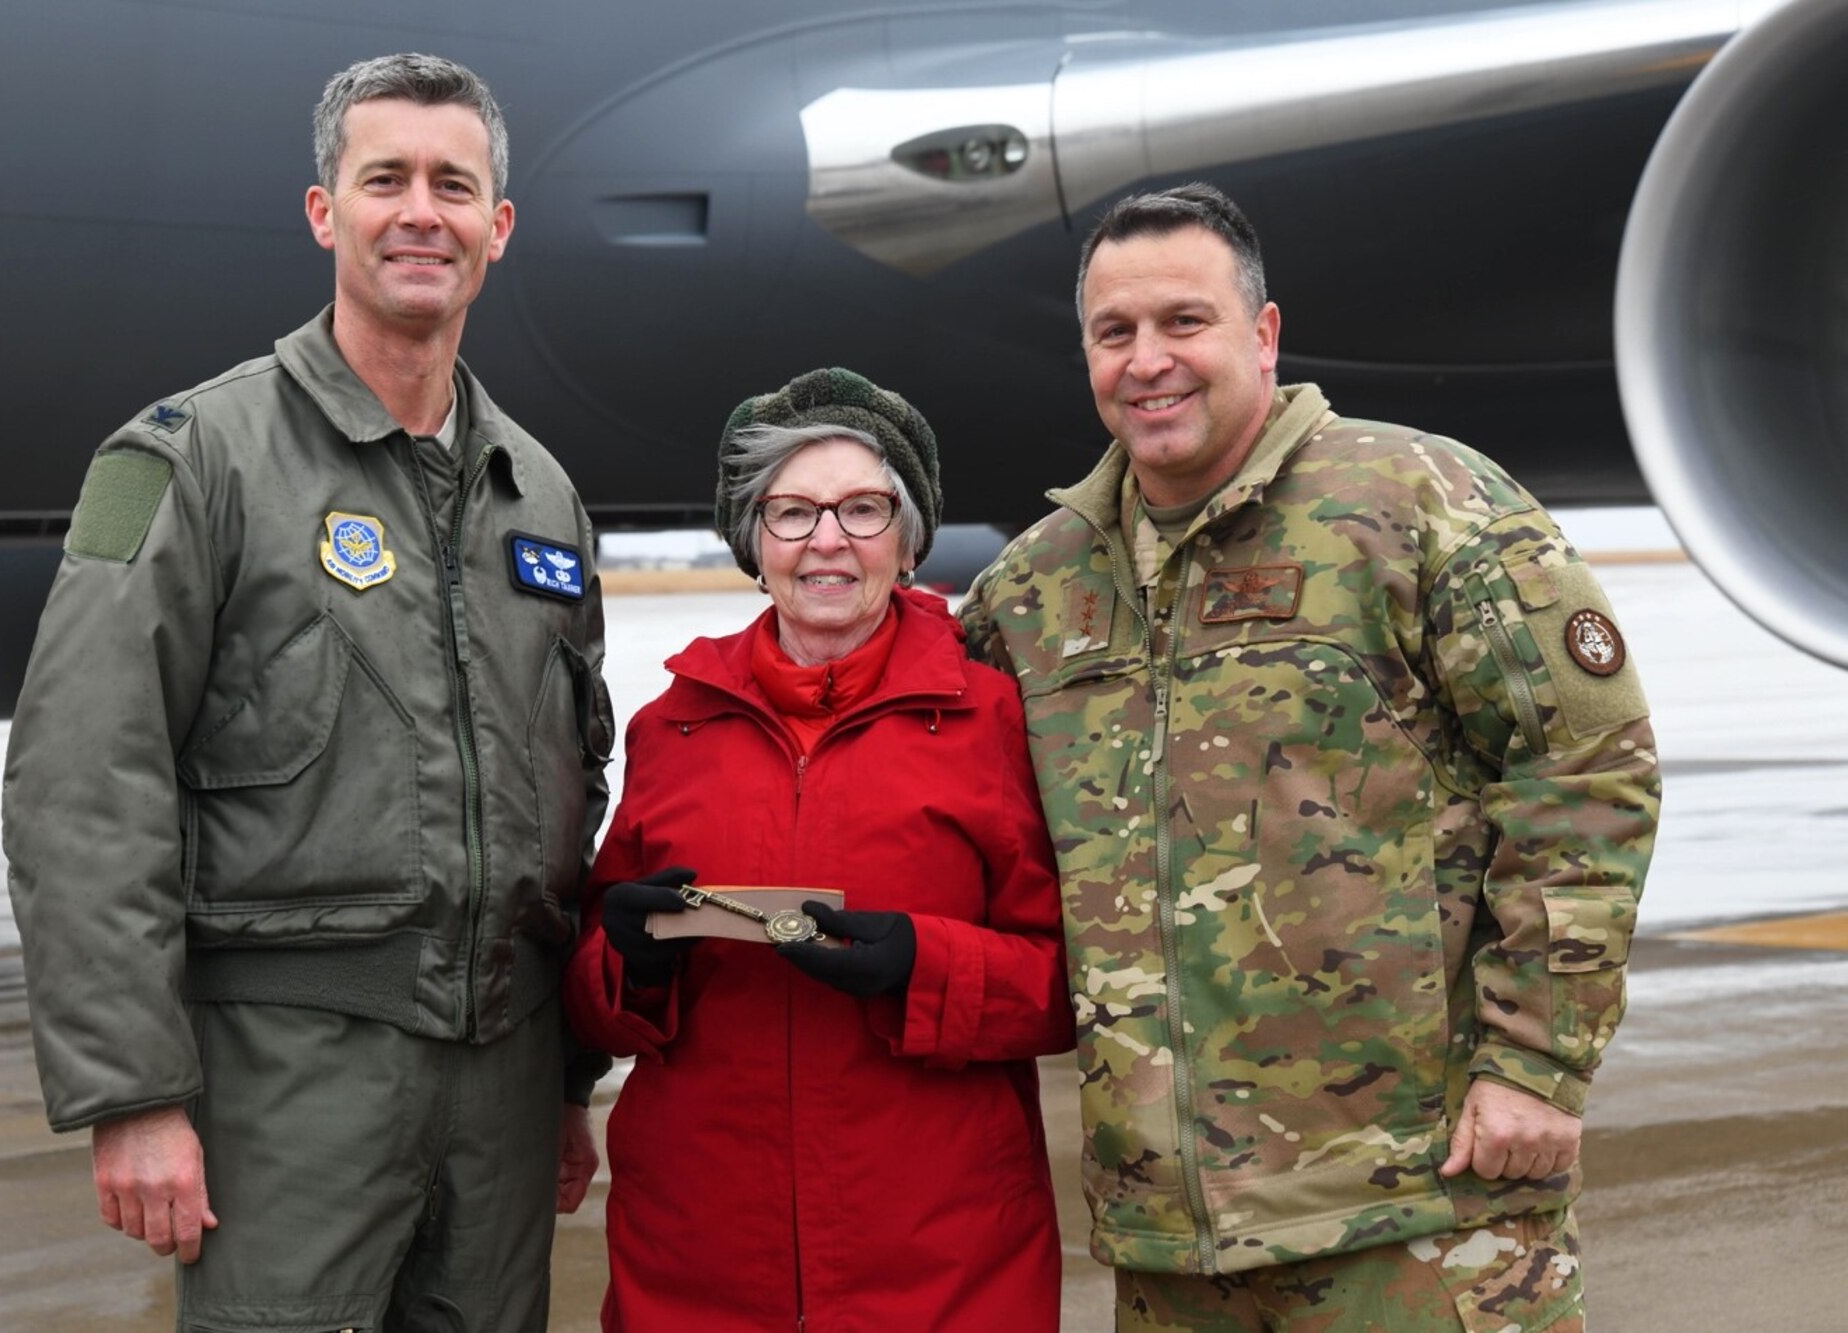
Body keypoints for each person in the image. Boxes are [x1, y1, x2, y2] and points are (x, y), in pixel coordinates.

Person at [960, 184, 1661, 1331]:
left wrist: (1534, 1062)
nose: (1148, 361)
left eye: (1183, 321)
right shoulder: (1039, 588)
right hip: (1172, 1242)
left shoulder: (1420, 504)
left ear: (1262, 333)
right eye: (1113, 332)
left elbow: (1584, 773)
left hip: (1417, 1207)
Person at [3, 53, 611, 1331]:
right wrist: (133, 1094)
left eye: (455, 185)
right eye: (382, 178)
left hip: (500, 1085)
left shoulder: (538, 493)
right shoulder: (187, 458)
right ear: (322, 211)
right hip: (289, 1078)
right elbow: (82, 778)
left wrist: (564, 1079)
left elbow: (566, 794)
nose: (419, 212)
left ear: (497, 228)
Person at [565, 368, 1074, 1333]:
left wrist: (926, 966)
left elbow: (1073, 982)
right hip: (698, 1269)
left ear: (910, 536)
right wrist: (623, 963)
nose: (828, 540)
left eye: (864, 508)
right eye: (792, 512)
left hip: (943, 1271)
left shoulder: (997, 720)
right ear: (754, 541)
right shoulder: (670, 728)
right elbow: (590, 997)